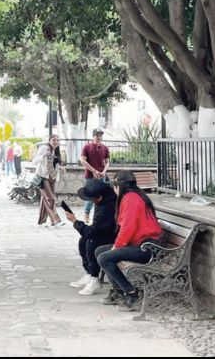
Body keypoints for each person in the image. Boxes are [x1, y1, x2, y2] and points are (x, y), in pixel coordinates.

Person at [95, 171, 164, 311]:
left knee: (105, 257)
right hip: (141, 244)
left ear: (118, 186)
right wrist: (117, 246)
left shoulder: (131, 198)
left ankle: (131, 293)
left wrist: (117, 247)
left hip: (148, 248)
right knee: (100, 251)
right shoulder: (131, 196)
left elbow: (128, 227)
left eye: (114, 185)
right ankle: (119, 291)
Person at [65, 180, 118, 296]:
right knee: (83, 240)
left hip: (114, 236)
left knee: (92, 241)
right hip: (106, 231)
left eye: (91, 198)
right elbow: (95, 229)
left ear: (99, 197)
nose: (90, 201)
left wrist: (74, 221)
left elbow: (92, 232)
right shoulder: (104, 200)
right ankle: (89, 273)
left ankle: (94, 277)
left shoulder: (107, 208)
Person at [80, 128, 110, 223]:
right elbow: (83, 160)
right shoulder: (87, 147)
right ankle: (86, 213)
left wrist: (104, 171)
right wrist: (94, 170)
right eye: (97, 135)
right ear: (93, 136)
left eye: (100, 135)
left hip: (102, 176)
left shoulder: (105, 148)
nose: (99, 137)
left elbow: (107, 162)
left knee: (101, 196)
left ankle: (99, 215)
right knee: (90, 196)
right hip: (90, 176)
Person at [34, 135, 65, 228]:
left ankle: (41, 221)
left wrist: (61, 167)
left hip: (53, 177)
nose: (55, 142)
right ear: (49, 141)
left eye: (57, 140)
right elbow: (35, 160)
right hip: (43, 177)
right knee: (50, 198)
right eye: (53, 140)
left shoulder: (57, 151)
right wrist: (43, 156)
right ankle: (55, 221)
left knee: (45, 200)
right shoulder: (44, 148)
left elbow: (56, 164)